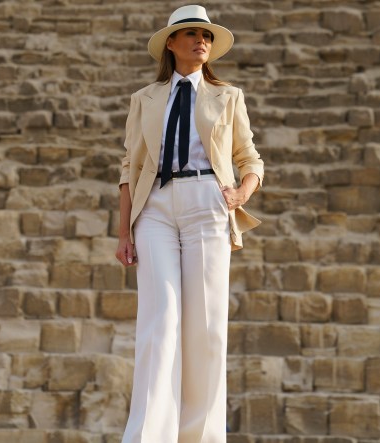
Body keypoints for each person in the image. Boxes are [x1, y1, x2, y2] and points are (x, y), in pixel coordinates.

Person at [115, 4, 264, 443]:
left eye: (208, 36)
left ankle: (200, 438)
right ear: (171, 44)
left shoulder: (228, 96)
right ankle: (147, 436)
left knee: (205, 327)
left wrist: (242, 193)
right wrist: (123, 232)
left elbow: (249, 158)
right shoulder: (144, 98)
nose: (203, 41)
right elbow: (130, 167)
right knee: (159, 321)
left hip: (207, 202)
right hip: (156, 206)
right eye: (192, 34)